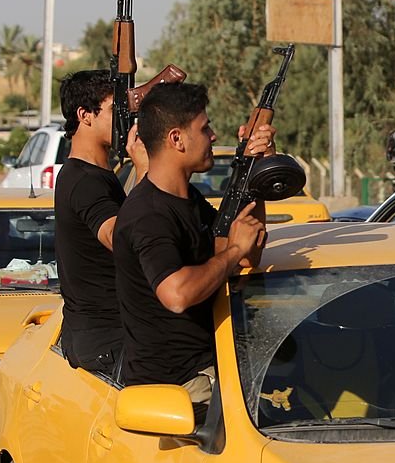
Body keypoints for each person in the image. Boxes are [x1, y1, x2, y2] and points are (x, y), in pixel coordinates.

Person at [113, 82, 273, 409]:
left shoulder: (187, 200)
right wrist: (232, 252)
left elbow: (248, 252)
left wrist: (256, 170)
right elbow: (176, 294)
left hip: (214, 369)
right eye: (204, 127)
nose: (213, 136)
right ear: (176, 138)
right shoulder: (147, 214)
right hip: (180, 390)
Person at [54, 70, 129, 374]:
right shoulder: (85, 181)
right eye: (115, 111)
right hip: (108, 342)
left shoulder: (96, 175)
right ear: (85, 115)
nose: (124, 121)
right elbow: (119, 238)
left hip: (105, 337)